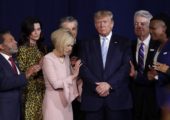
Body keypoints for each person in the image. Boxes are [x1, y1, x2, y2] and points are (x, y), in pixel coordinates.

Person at [79, 10, 132, 120]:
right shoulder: (86, 43)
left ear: (112, 23)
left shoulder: (124, 42)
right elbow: (83, 67)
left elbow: (126, 67)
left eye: (105, 21)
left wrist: (109, 84)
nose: (101, 25)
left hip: (116, 99)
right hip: (93, 98)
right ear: (94, 24)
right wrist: (97, 86)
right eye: (98, 22)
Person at [42, 28, 81, 120]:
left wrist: (74, 72)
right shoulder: (48, 59)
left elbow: (69, 78)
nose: (70, 48)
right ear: (60, 43)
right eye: (68, 45)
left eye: (71, 45)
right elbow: (55, 84)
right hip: (53, 103)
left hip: (66, 101)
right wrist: (73, 76)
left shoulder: (66, 57)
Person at [0, 30, 39, 120]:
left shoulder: (14, 60)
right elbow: (2, 83)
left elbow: (17, 82)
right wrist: (25, 75)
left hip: (17, 110)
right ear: (1, 46)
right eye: (11, 40)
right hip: (4, 112)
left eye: (14, 39)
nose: (15, 42)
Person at [130, 10, 160, 120]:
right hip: (134, 100)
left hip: (154, 99)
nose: (139, 26)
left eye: (142, 24)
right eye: (136, 24)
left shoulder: (159, 46)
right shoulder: (129, 46)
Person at [17, 17, 46, 120]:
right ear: (27, 31)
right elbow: (21, 74)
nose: (36, 32)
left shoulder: (42, 48)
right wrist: (38, 67)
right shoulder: (22, 49)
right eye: (33, 30)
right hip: (29, 93)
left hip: (43, 91)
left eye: (38, 29)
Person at [59, 16, 84, 120]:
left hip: (80, 98)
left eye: (74, 29)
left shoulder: (85, 46)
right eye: (67, 30)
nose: (71, 32)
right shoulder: (54, 49)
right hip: (61, 96)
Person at [148, 13, 170, 120]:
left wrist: (167, 70)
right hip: (157, 99)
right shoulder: (155, 46)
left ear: (164, 28)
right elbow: (158, 74)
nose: (150, 31)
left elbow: (165, 71)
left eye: (153, 28)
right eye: (149, 28)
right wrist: (154, 76)